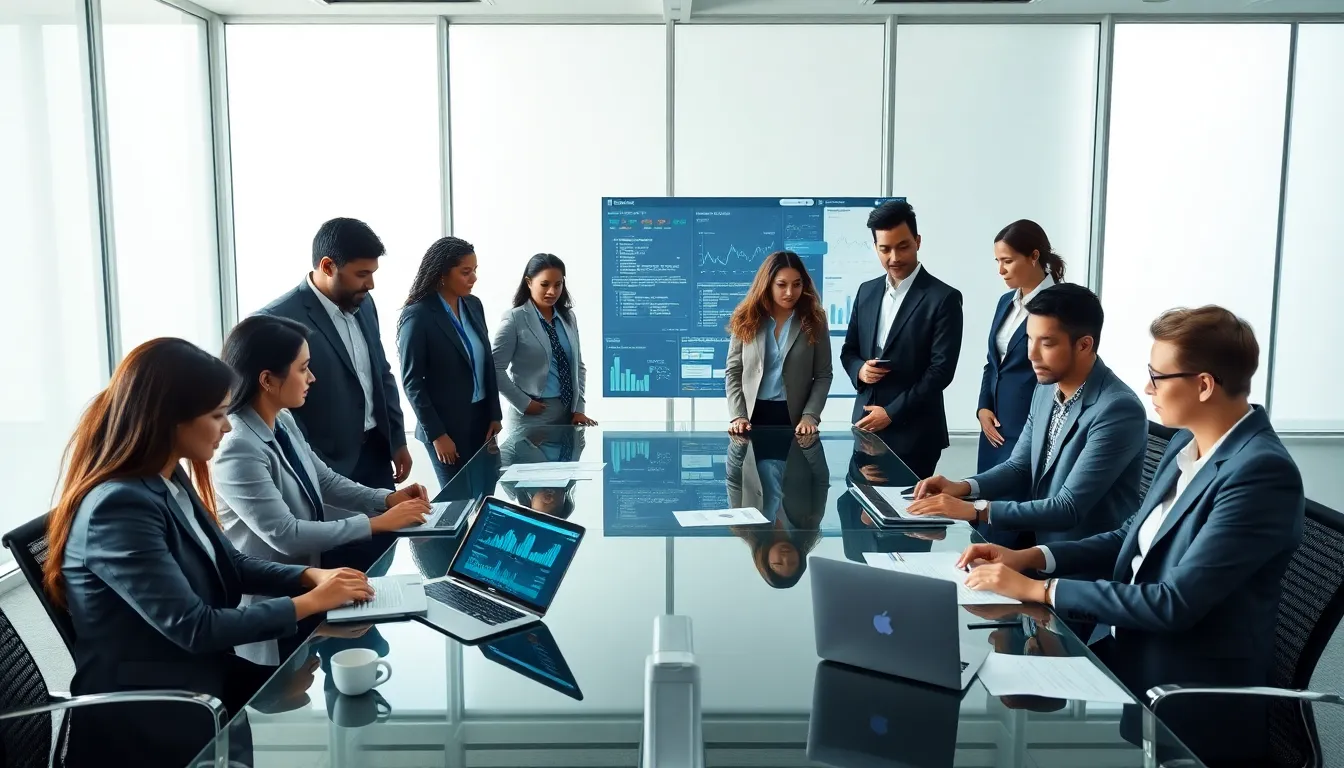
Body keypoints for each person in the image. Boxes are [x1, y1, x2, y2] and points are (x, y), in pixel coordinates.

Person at [957, 306, 1304, 767]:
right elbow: (1130, 536)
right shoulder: (1186, 442)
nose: (1146, 388)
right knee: (984, 680)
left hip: (1184, 694)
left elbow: (1173, 602)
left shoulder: (1260, 473)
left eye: (1158, 377)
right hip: (1127, 655)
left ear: (1203, 385)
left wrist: (1041, 590)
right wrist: (1031, 557)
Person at [44, 338, 375, 768]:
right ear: (170, 420)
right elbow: (194, 627)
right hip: (153, 712)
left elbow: (229, 565)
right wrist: (310, 604)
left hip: (202, 678)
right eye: (218, 415)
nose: (227, 427)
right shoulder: (118, 506)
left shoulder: (168, 477)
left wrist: (308, 578)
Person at [214, 315, 433, 663]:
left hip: (304, 593)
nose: (312, 378)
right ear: (268, 380)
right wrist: (378, 523)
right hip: (269, 608)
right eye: (303, 369)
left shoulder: (282, 420)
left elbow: (326, 480)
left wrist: (386, 498)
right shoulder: (238, 445)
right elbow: (285, 535)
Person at [908, 284, 1145, 549]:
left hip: (1083, 565)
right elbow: (1018, 467)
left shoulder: (1118, 409)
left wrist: (974, 509)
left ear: (1084, 345)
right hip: (1038, 546)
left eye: (1047, 343)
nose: (1031, 354)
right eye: (1030, 339)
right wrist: (961, 487)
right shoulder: (1045, 389)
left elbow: (1068, 508)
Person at [258, 217, 410, 491]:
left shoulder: (364, 304)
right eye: (362, 274)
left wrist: (397, 439)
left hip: (376, 454)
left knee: (391, 531)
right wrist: (309, 460)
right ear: (328, 266)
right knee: (346, 534)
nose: (371, 284)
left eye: (373, 273)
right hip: (324, 466)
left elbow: (381, 372)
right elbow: (274, 404)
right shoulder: (276, 319)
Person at [839, 201, 963, 478]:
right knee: (859, 514)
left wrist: (891, 412)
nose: (894, 257)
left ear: (918, 241)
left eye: (903, 246)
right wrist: (860, 369)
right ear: (875, 247)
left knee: (908, 519)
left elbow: (941, 371)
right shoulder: (866, 292)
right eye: (885, 249)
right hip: (865, 429)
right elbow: (849, 351)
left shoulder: (943, 298)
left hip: (915, 434)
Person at [397, 236, 503, 487]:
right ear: (442, 273)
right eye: (465, 272)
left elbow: (486, 364)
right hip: (446, 428)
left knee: (488, 495)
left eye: (475, 270)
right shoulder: (418, 315)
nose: (473, 278)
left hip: (482, 423)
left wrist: (495, 415)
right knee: (458, 503)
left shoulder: (474, 305)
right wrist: (437, 434)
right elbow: (413, 383)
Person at [977, 220, 1065, 472]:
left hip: (1030, 427)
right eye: (998, 262)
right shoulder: (1006, 302)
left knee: (1016, 506)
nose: (1001, 270)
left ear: (1034, 256)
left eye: (1007, 261)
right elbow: (993, 364)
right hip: (993, 428)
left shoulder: (1061, 304)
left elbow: (1060, 374)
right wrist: (983, 408)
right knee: (984, 502)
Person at [724, 250, 833, 435]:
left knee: (795, 464)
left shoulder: (815, 319)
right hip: (750, 416)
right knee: (751, 463)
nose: (790, 293)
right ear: (767, 284)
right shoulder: (745, 316)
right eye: (782, 285)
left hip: (796, 419)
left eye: (796, 285)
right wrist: (738, 415)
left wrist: (810, 415)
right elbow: (733, 371)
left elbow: (823, 375)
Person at [491, 253, 595, 427]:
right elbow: (495, 368)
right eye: (545, 284)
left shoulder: (568, 317)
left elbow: (578, 365)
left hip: (568, 413)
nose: (552, 291)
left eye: (558, 284)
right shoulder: (514, 319)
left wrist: (579, 409)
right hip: (533, 414)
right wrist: (524, 403)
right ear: (529, 282)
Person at [726, 429, 828, 589]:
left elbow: (733, 480)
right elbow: (821, 480)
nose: (786, 557)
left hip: (755, 442)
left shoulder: (744, 527)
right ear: (800, 558)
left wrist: (737, 446)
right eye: (793, 562)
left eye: (778, 562)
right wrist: (811, 447)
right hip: (796, 442)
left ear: (765, 559)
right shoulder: (809, 524)